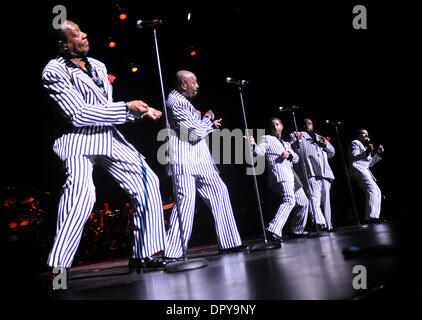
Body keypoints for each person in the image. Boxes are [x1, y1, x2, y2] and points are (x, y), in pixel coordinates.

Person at [42, 21, 168, 276]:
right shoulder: (53, 72)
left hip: (108, 137)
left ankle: (144, 253)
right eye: (75, 34)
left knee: (147, 182)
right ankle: (59, 268)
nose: (84, 34)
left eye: (82, 29)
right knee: (82, 195)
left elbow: (106, 108)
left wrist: (140, 113)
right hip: (77, 140)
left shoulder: (98, 65)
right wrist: (126, 108)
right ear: (62, 45)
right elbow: (77, 114)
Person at [163, 70, 248, 259]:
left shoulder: (185, 103)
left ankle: (230, 242)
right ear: (183, 85)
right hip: (184, 160)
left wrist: (207, 123)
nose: (197, 86)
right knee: (185, 204)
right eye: (194, 82)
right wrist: (208, 118)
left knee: (220, 191)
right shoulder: (175, 102)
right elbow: (194, 133)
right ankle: (172, 253)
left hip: (200, 160)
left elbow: (196, 129)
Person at [247, 118, 309, 240]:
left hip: (292, 177)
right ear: (270, 128)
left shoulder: (286, 144)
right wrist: (252, 144)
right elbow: (258, 153)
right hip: (281, 175)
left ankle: (296, 230)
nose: (275, 127)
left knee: (303, 202)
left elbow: (296, 158)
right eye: (272, 125)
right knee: (289, 201)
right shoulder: (267, 139)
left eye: (277, 124)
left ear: (282, 126)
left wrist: (289, 154)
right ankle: (272, 229)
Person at [289, 118, 335, 231]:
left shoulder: (320, 137)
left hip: (325, 172)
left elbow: (332, 152)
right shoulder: (296, 134)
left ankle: (329, 225)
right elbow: (290, 148)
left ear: (313, 124)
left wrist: (325, 145)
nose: (307, 124)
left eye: (309, 122)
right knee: (314, 198)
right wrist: (296, 142)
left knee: (326, 201)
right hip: (310, 171)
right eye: (305, 123)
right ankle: (319, 223)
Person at [348, 129, 384, 223]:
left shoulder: (365, 147)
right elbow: (354, 156)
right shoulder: (355, 143)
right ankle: (370, 217)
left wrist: (378, 153)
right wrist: (367, 151)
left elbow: (369, 164)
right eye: (364, 133)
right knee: (371, 189)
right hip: (358, 169)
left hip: (364, 170)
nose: (366, 135)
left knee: (377, 191)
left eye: (367, 134)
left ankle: (375, 216)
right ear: (358, 134)